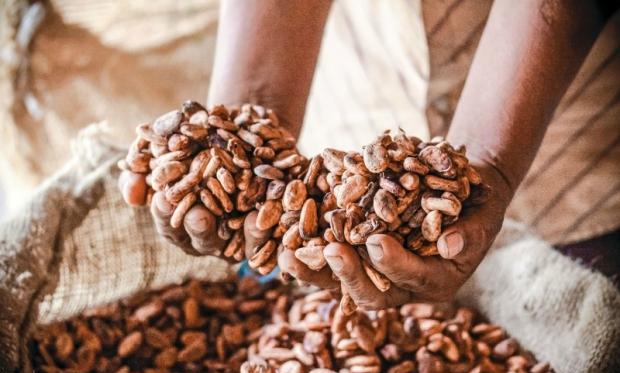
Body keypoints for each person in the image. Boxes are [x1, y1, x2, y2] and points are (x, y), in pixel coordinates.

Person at [120, 0, 619, 309]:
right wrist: (252, 119)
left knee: (579, 306)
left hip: (566, 132)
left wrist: (494, 157)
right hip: (359, 77)